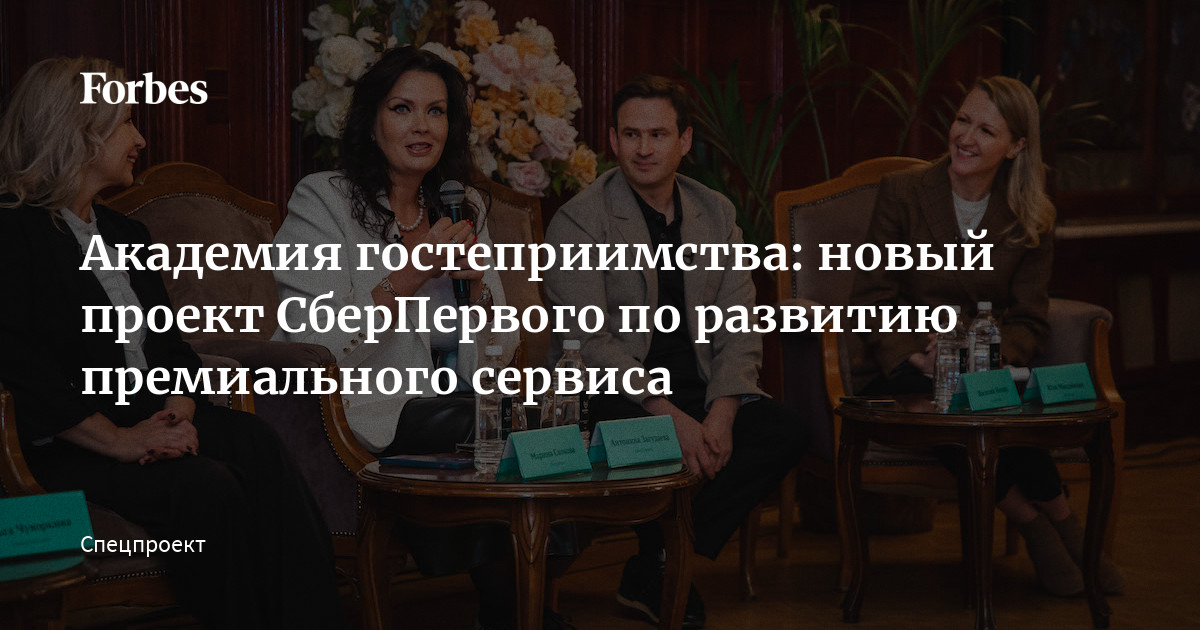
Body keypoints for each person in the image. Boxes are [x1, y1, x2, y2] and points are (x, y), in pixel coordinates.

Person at [0, 57, 344, 629]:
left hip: (149, 419)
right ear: (79, 132)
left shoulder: (125, 233)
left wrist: (176, 420)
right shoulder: (13, 230)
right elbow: (18, 366)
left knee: (257, 441)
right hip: (65, 445)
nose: (140, 140)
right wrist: (120, 440)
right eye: (126, 123)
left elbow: (172, 353)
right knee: (207, 488)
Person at [271, 46, 573, 630]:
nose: (422, 127)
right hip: (371, 409)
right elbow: (311, 338)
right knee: (488, 428)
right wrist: (410, 274)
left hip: (462, 401)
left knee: (539, 421)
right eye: (402, 109)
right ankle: (521, 614)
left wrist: (478, 292)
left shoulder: (461, 204)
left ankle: (519, 609)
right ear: (371, 121)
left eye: (436, 112)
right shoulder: (323, 200)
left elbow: (502, 350)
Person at [544, 75, 808, 629]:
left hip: (702, 388)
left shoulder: (716, 213)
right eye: (631, 134)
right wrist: (670, 417)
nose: (644, 148)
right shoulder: (579, 219)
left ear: (684, 141)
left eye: (658, 134)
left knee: (784, 431)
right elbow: (589, 340)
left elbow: (738, 324)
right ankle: (666, 565)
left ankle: (661, 558)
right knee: (640, 436)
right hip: (618, 392)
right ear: (612, 140)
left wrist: (724, 411)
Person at [849, 75, 1125, 597]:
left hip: (986, 367)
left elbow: (1030, 320)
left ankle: (1059, 521)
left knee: (993, 408)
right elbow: (872, 298)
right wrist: (920, 356)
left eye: (986, 130)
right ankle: (1041, 520)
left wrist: (984, 352)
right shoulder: (904, 193)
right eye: (962, 120)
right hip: (904, 371)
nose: (965, 137)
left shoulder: (1032, 213)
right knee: (952, 412)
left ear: (1016, 146)